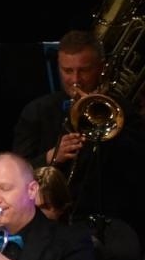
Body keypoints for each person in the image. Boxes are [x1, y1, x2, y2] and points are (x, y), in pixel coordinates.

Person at [11, 29, 144, 227]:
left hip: (114, 218)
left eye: (84, 70)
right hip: (53, 223)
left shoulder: (122, 111)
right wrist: (51, 157)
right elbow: (16, 174)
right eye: (67, 71)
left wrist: (105, 130)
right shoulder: (37, 111)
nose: (75, 79)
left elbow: (137, 166)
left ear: (101, 68)